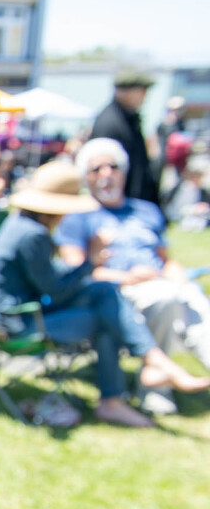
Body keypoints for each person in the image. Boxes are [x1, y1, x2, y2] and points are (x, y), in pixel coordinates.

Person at [0, 161, 207, 427]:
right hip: (18, 323)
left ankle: (150, 365)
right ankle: (121, 393)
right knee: (105, 318)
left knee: (104, 292)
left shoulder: (22, 224)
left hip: (22, 311)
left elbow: (48, 278)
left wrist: (88, 269)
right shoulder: (33, 235)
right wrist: (91, 261)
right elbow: (56, 291)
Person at [55, 137, 210, 415]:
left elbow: (167, 260)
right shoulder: (78, 216)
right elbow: (75, 273)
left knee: (196, 301)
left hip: (161, 282)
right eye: (96, 169)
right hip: (115, 290)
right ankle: (156, 387)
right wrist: (126, 277)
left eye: (113, 166)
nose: (106, 174)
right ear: (85, 176)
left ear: (124, 172)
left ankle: (161, 374)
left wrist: (178, 276)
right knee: (166, 299)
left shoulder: (146, 210)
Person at [90, 70, 159, 205]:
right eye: (142, 90)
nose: (145, 96)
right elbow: (103, 171)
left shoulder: (127, 118)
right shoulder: (110, 122)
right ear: (124, 92)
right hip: (119, 205)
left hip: (132, 202)